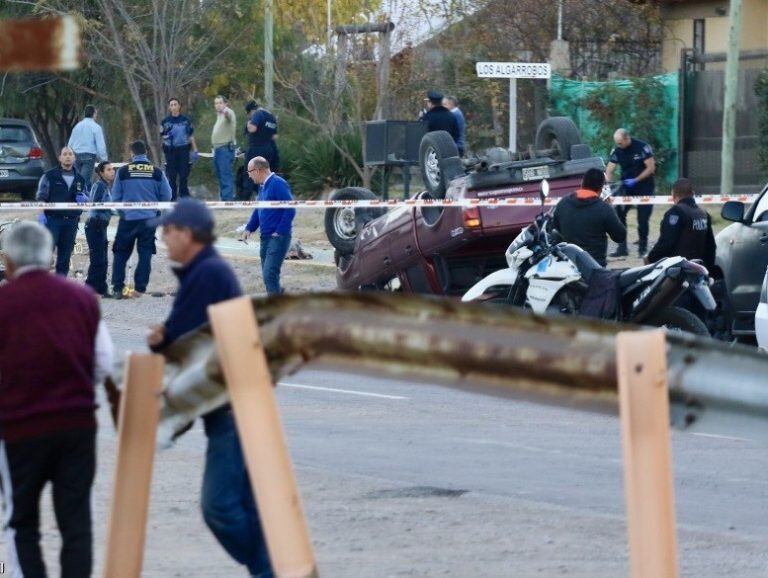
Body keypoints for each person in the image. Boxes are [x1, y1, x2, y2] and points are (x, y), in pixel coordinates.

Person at [146, 199, 273, 578]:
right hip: (232, 404)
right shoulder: (203, 272)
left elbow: (186, 343)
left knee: (219, 506)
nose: (164, 240)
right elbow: (187, 334)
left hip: (234, 406)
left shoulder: (208, 274)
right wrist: (164, 337)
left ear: (186, 233)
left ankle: (270, 568)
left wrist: (162, 342)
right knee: (244, 504)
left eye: (167, 232)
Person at [0, 221, 113, 578]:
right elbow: (103, 362)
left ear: (7, 262)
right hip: (77, 425)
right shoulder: (82, 298)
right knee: (76, 519)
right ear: (51, 258)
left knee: (21, 520)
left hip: (18, 427)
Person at [111, 140, 172, 298]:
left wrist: (122, 212)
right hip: (149, 219)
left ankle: (118, 288)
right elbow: (167, 195)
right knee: (145, 253)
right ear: (146, 152)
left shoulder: (123, 171)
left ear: (132, 153)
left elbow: (115, 196)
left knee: (120, 253)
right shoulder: (156, 172)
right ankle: (140, 288)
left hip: (128, 218)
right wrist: (155, 209)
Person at [241, 156, 295, 295]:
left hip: (277, 237)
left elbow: (290, 208)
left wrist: (280, 231)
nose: (249, 176)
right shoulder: (262, 187)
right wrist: (249, 228)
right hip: (265, 237)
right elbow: (259, 209)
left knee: (269, 274)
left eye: (250, 172)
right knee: (269, 277)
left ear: (259, 170)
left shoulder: (278, 183)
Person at [552, 168, 627, 267]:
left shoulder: (563, 203)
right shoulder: (603, 208)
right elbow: (620, 236)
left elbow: (555, 230)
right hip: (595, 268)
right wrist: (611, 209)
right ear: (601, 188)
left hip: (568, 266)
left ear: (582, 182)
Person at [35, 146, 88, 276]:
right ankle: (42, 285)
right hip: (53, 221)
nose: (68, 156)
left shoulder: (80, 179)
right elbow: (41, 197)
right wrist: (41, 216)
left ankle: (60, 288)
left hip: (71, 222)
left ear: (74, 158)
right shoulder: (49, 176)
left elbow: (87, 199)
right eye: (65, 154)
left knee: (64, 257)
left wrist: (85, 199)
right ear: (60, 158)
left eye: (70, 154)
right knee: (46, 255)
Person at [605, 128, 656, 258]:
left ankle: (642, 249)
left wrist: (636, 180)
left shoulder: (642, 147)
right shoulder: (617, 150)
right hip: (627, 188)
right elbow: (609, 170)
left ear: (627, 138)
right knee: (619, 215)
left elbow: (651, 168)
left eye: (620, 143)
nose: (618, 145)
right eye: (617, 143)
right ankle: (622, 249)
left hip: (645, 187)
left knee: (642, 219)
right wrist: (608, 187)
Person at [646, 178, 716, 268]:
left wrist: (650, 258)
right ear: (693, 194)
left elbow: (666, 243)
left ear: (673, 194)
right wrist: (708, 270)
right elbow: (711, 247)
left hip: (678, 272)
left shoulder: (676, 212)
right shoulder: (704, 214)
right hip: (699, 269)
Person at [85, 161, 115, 297]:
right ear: (101, 173)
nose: (112, 172)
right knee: (98, 259)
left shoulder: (106, 186)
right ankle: (90, 288)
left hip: (101, 225)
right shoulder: (100, 186)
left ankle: (101, 288)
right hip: (95, 224)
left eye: (112, 169)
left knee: (103, 259)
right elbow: (96, 204)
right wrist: (112, 208)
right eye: (108, 170)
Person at [160, 97, 198, 200]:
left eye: (175, 104)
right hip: (171, 150)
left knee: (184, 174)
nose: (173, 106)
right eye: (171, 105)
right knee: (172, 175)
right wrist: (168, 135)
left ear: (179, 106)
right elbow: (162, 136)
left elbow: (191, 135)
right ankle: (172, 196)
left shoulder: (186, 120)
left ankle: (184, 195)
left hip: (183, 150)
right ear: (169, 107)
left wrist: (195, 150)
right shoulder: (165, 121)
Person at [243, 100, 279, 200]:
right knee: (266, 174)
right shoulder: (271, 116)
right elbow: (275, 136)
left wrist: (248, 124)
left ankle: (245, 199)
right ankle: (266, 197)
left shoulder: (257, 113)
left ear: (250, 111)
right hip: (270, 149)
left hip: (256, 149)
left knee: (250, 173)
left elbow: (252, 129)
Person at [67, 104, 108, 189]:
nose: (96, 116)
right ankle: (84, 199)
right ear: (93, 114)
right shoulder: (96, 127)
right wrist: (104, 160)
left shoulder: (77, 126)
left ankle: (77, 198)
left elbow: (70, 144)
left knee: (78, 180)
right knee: (84, 182)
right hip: (89, 157)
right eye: (96, 114)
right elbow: (101, 146)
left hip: (76, 156)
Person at [211, 95, 237, 201]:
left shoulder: (228, 112)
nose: (218, 105)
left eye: (220, 103)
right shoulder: (218, 116)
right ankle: (224, 199)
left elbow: (228, 116)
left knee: (226, 175)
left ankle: (228, 201)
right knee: (220, 175)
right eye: (216, 103)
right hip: (217, 149)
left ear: (225, 104)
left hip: (225, 149)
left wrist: (225, 112)